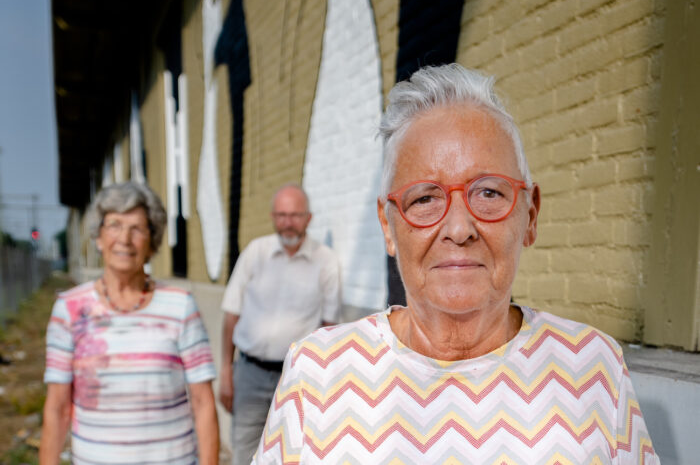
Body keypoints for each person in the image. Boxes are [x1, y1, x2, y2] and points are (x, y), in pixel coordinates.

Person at [253, 64, 659, 464]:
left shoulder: (593, 366)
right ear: (388, 226)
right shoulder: (317, 372)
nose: (460, 227)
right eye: (425, 198)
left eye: (488, 193)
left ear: (530, 216)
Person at [40, 181, 219, 465]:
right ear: (98, 238)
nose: (125, 238)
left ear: (152, 242)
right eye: (114, 225)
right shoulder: (70, 309)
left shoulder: (180, 306)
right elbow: (57, 407)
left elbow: (203, 403)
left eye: (137, 228)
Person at [219, 183, 341, 465]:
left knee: (294, 453)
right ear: (273, 217)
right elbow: (230, 314)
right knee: (244, 452)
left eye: (296, 215)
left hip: (297, 376)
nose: (288, 223)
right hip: (249, 373)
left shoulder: (326, 261)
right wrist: (226, 370)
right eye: (282, 215)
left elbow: (330, 328)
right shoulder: (255, 252)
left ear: (309, 218)